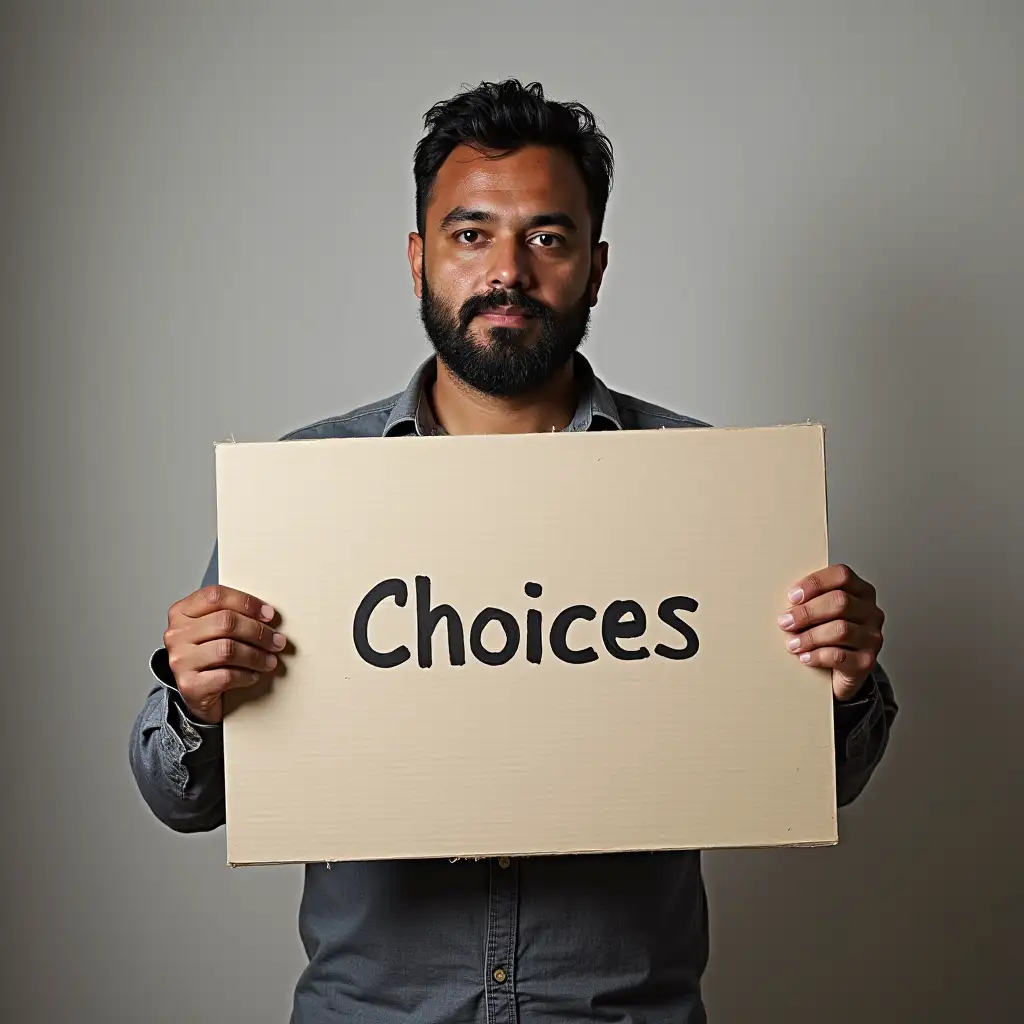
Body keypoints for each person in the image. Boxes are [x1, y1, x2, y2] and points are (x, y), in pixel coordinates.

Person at [129, 79, 897, 1024]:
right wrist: (195, 694)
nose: (508, 271)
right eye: (470, 234)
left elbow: (827, 776)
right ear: (418, 261)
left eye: (547, 236)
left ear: (596, 265)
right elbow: (182, 795)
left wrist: (847, 679)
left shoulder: (704, 488)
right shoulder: (306, 489)